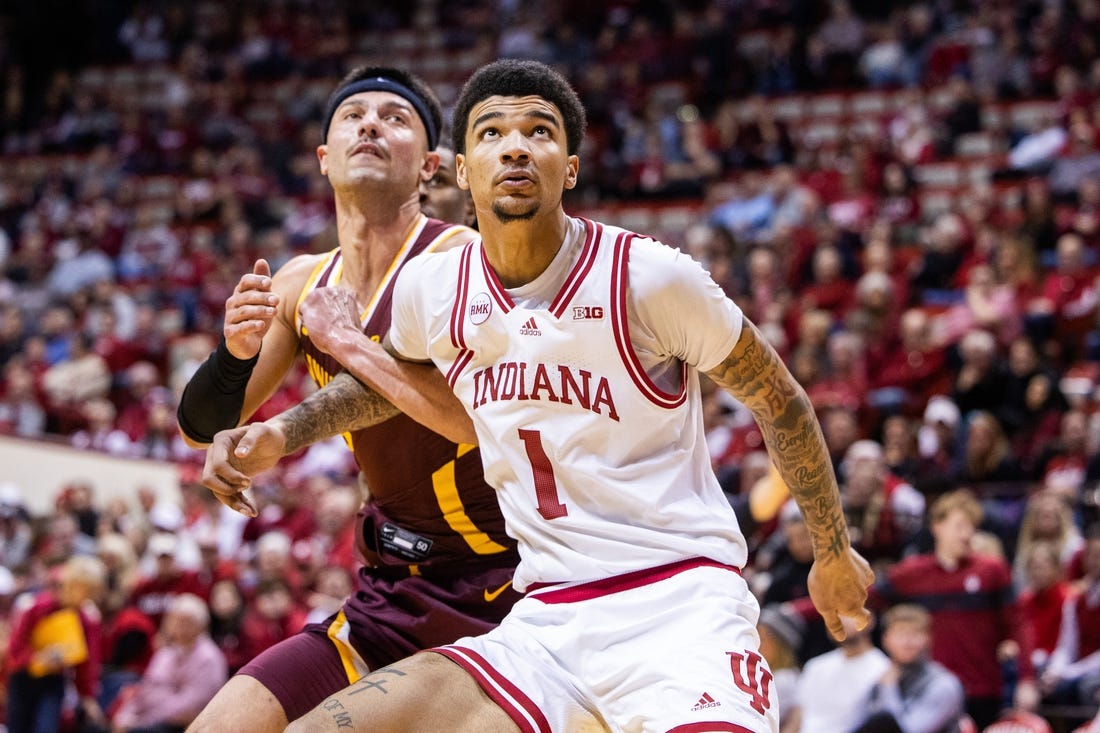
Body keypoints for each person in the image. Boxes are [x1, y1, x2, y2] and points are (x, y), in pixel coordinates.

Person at [204, 58, 873, 732]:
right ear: (463, 169)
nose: (516, 144)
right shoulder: (436, 289)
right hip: (545, 621)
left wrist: (832, 550)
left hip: (681, 608)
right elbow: (381, 389)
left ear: (570, 167)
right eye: (492, 132)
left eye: (540, 131)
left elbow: (780, 399)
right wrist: (284, 431)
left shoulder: (649, 278)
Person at [177, 66, 520, 732]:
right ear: (324, 158)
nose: (370, 123)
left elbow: (442, 405)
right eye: (352, 115)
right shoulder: (302, 281)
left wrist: (281, 434)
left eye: (394, 117)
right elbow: (202, 424)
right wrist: (235, 354)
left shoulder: (463, 260)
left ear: (430, 166)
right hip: (394, 584)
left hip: (504, 579)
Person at [874, 489, 1039, 728]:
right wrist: (803, 609)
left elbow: (1018, 625)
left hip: (982, 689)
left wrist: (1027, 679)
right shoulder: (912, 572)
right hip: (931, 689)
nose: (967, 534)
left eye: (971, 527)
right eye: (960, 526)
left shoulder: (992, 570)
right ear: (937, 527)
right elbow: (865, 596)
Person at [5, 556, 108, 733]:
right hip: (23, 678)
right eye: (85, 589)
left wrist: (87, 696)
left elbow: (87, 661)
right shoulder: (36, 607)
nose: (88, 596)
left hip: (53, 681)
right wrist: (37, 659)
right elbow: (16, 647)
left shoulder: (87, 618)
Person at [109, 594, 227, 732]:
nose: (178, 626)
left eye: (186, 621)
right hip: (147, 720)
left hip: (180, 725)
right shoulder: (165, 653)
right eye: (174, 619)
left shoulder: (209, 658)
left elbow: (190, 708)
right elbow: (144, 691)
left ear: (201, 626)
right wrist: (124, 718)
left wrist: (145, 721)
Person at [851, 604, 965, 733]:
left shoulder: (944, 683)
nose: (908, 642)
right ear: (885, 639)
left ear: (929, 639)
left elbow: (908, 730)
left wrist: (889, 688)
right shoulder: (878, 676)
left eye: (915, 634)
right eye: (900, 633)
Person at [781, 615, 890, 733]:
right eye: (833, 614)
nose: (840, 621)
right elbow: (798, 716)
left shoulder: (883, 670)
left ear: (868, 619)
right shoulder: (816, 666)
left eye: (847, 614)